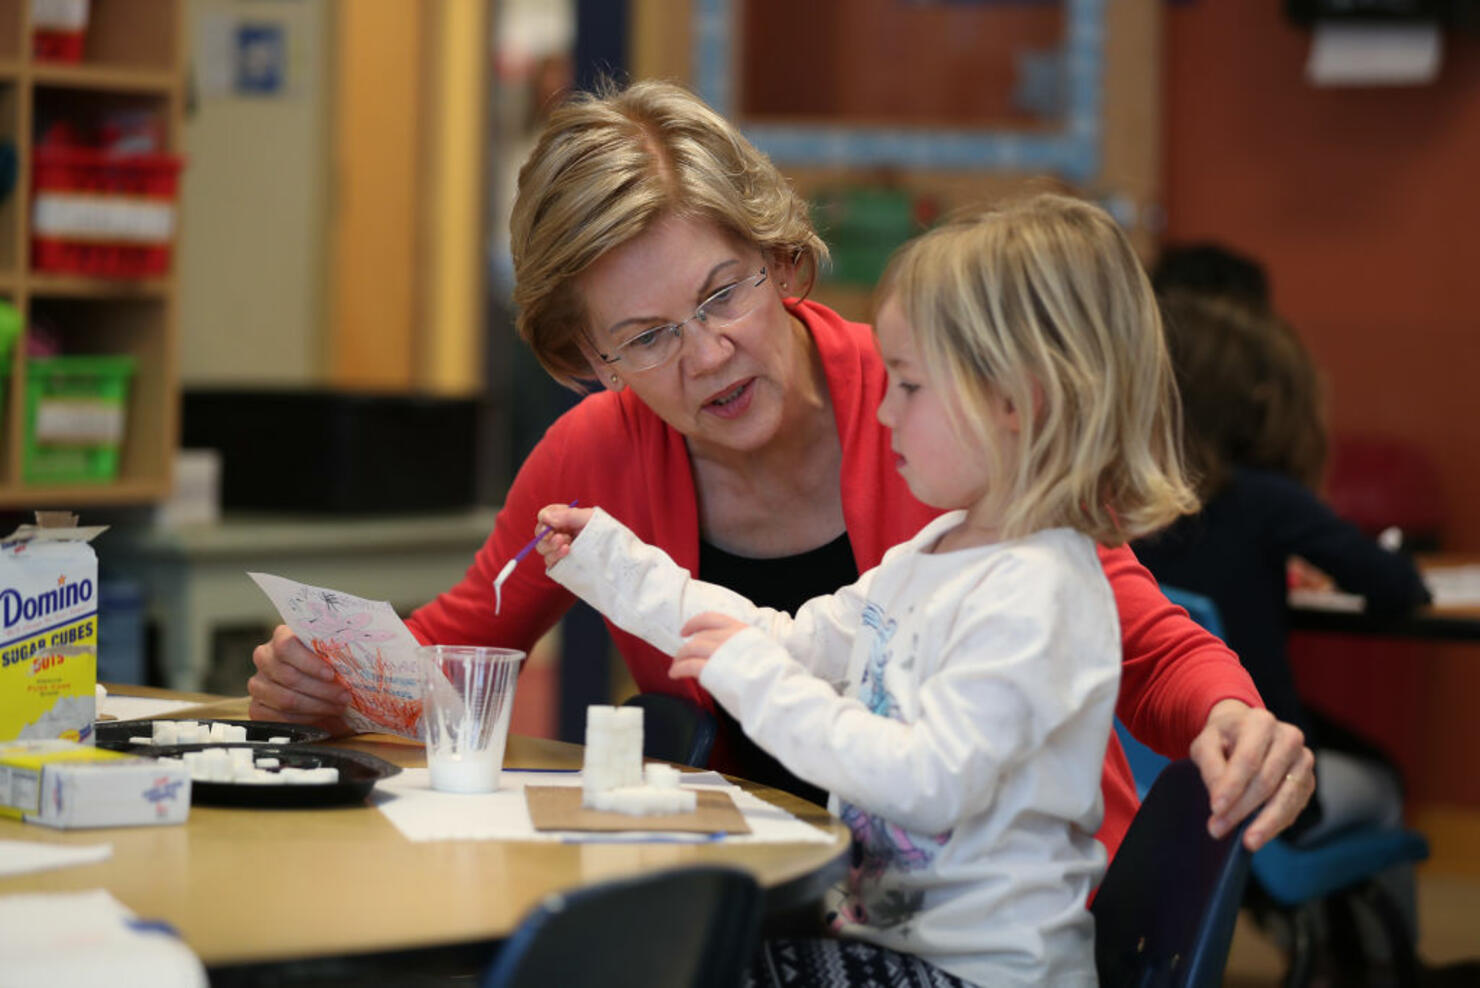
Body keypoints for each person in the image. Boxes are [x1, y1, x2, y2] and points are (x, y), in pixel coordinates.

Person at [247, 79, 1313, 860]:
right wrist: (329, 677)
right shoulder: (594, 456)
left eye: (723, 295)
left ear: (779, 256)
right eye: (646, 336)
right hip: (781, 880)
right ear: (582, 360)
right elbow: (454, 656)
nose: (706, 354)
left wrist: (1235, 714)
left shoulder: (933, 419)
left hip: (993, 910)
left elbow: (1144, 637)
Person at [531, 193, 1200, 985]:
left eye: (911, 387)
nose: (882, 409)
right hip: (889, 946)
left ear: (1017, 403)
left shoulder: (1040, 592)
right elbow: (793, 640)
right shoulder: (934, 552)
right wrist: (618, 568)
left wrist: (756, 683)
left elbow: (927, 784)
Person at [1132, 290, 1431, 925]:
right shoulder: (1265, 501)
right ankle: (1368, 966)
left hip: (1145, 796)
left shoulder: (1117, 506)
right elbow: (1400, 588)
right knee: (1386, 784)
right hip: (1257, 778)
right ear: (1258, 402)